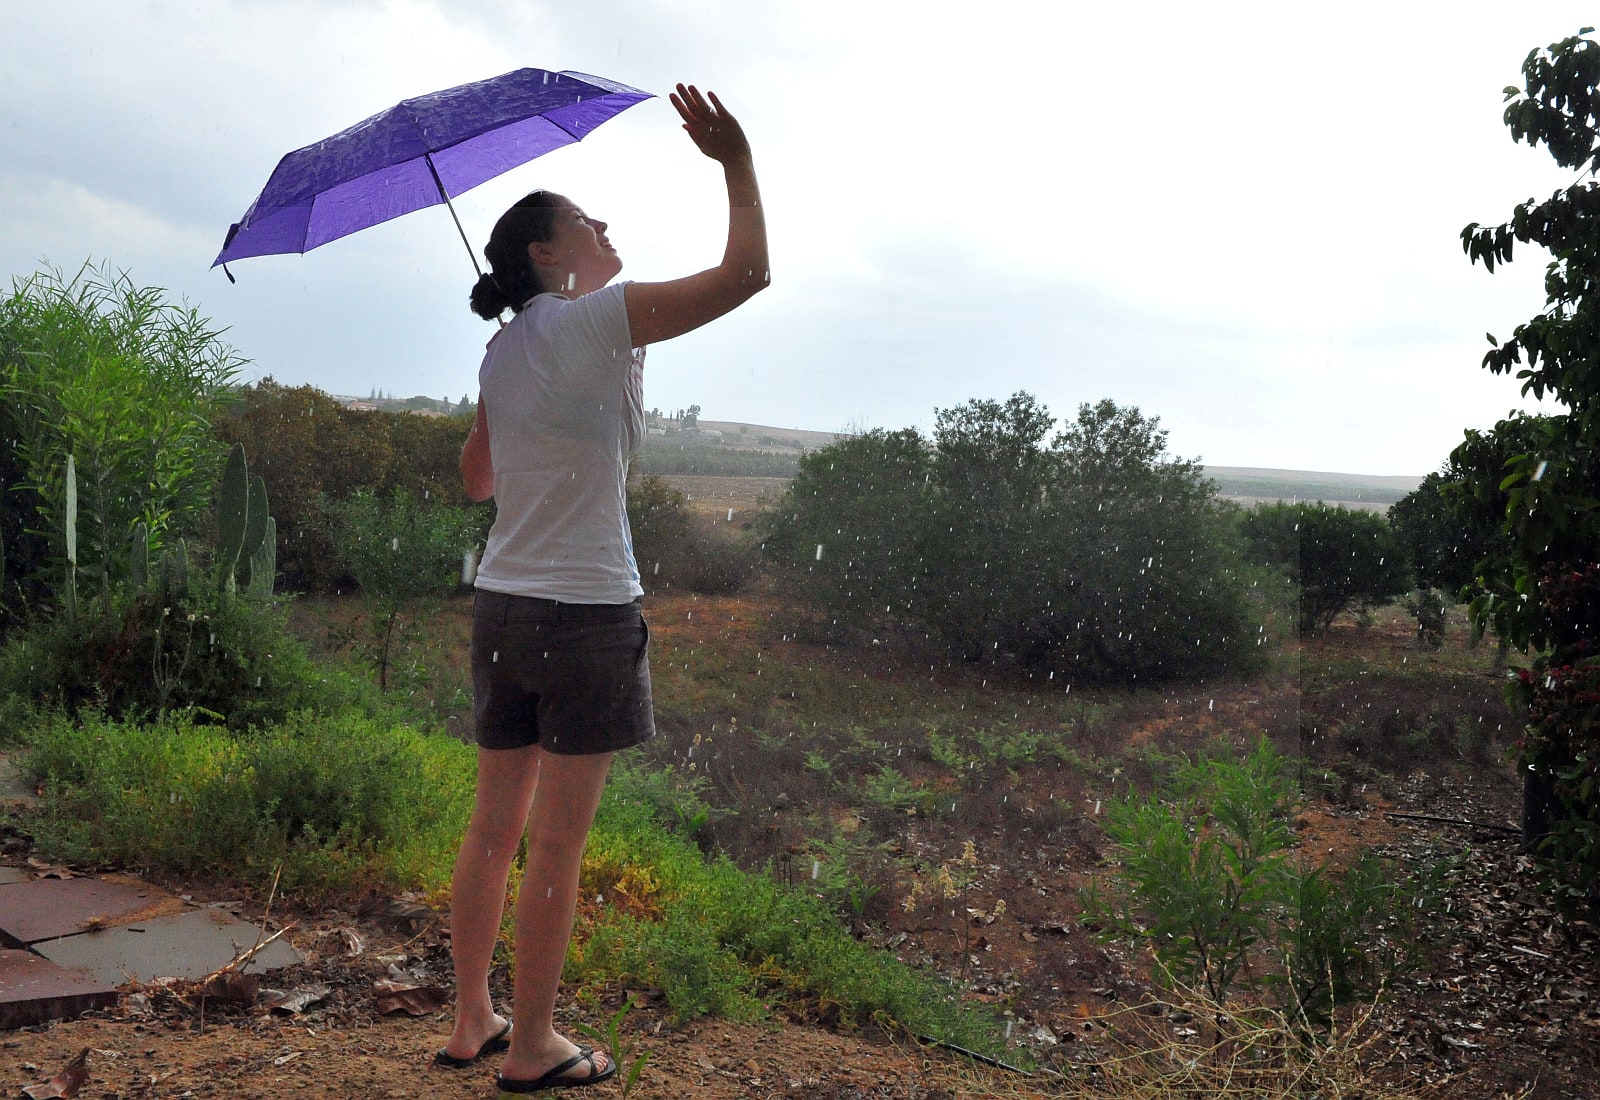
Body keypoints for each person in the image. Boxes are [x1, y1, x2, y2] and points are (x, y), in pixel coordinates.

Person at [438, 84, 767, 1093]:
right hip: (583, 614)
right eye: (587, 219)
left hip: (502, 604)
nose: (606, 225)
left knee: (493, 829)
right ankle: (533, 1045)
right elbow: (748, 275)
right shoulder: (594, 325)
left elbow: (477, 481)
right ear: (548, 252)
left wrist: (513, 396)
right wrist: (736, 162)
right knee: (556, 847)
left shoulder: (505, 349)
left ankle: (473, 1017)